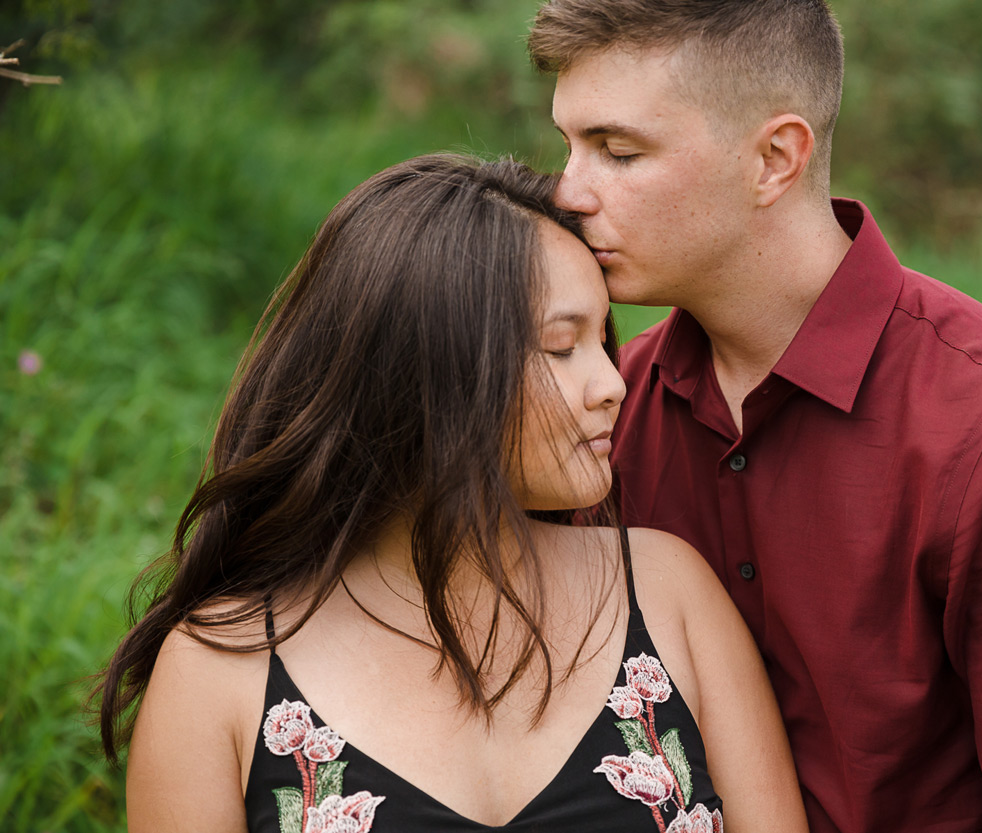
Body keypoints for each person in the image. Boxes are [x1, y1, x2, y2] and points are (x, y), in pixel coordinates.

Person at [527, 2, 982, 831]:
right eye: (568, 146)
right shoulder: (603, 412)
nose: (567, 191)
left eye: (618, 151)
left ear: (774, 159)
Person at [96, 154, 809, 833]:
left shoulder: (666, 591)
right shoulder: (223, 668)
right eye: (562, 347)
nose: (611, 384)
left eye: (603, 341)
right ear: (432, 372)